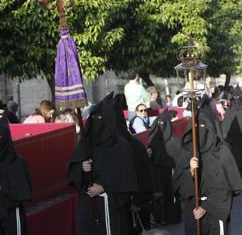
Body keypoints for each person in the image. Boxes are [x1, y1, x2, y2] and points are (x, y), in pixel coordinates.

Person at [67, 92, 139, 235]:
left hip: (109, 204)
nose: (96, 121)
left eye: (100, 118)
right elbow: (71, 170)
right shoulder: (85, 143)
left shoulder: (120, 146)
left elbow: (127, 179)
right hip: (87, 205)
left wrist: (105, 188)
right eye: (93, 118)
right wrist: (81, 167)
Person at [174, 97, 242, 235]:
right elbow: (178, 184)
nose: (201, 131)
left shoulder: (222, 151)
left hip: (216, 211)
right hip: (193, 210)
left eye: (204, 126)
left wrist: (207, 207)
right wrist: (191, 171)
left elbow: (226, 186)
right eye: (197, 127)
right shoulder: (188, 151)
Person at [113, 96, 155, 234]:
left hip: (135, 204)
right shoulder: (131, 143)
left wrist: (137, 201)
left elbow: (142, 173)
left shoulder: (128, 145)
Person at [147, 110, 182, 225]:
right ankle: (158, 217)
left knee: (171, 195)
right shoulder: (153, 139)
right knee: (160, 195)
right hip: (157, 173)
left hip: (170, 174)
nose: (161, 125)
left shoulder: (174, 142)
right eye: (159, 123)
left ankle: (171, 217)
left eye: (164, 123)